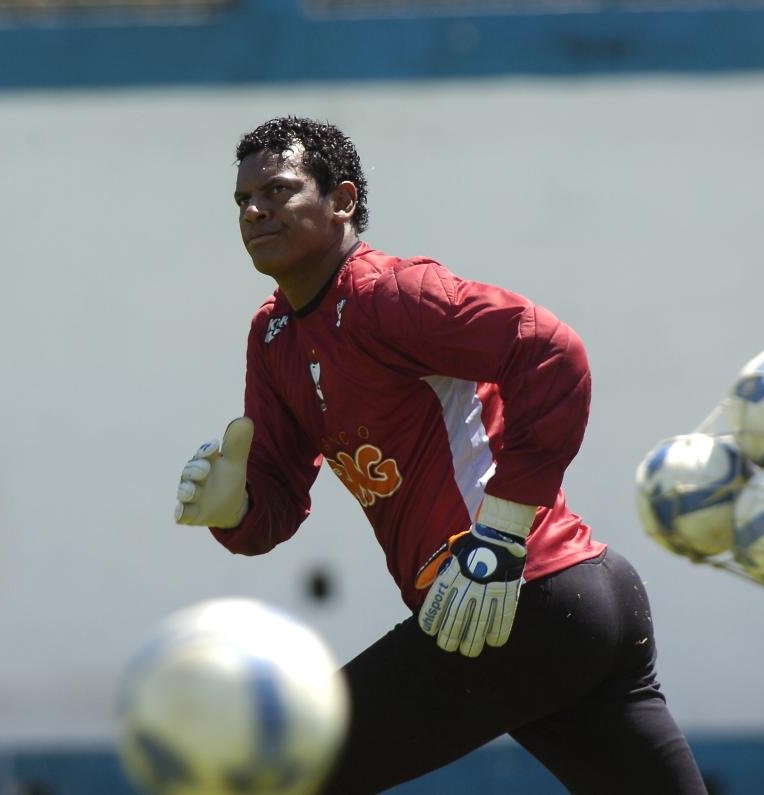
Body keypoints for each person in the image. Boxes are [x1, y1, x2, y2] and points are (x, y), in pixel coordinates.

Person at [174, 116, 706, 794]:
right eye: (244, 200)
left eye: (277, 191)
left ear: (341, 200)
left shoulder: (387, 295)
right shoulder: (273, 333)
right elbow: (273, 499)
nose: (254, 210)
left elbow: (551, 351)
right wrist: (238, 505)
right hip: (554, 607)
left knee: (287, 772)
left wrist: (501, 535)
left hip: (522, 596)